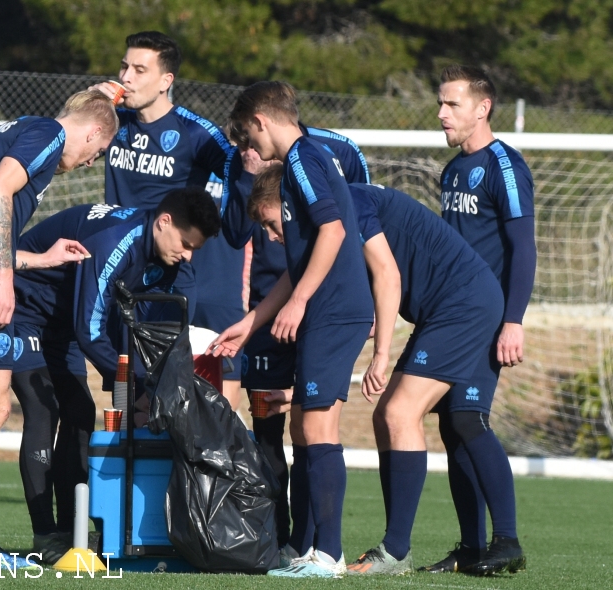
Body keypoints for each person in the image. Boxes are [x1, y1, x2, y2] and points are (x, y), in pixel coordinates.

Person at [243, 164, 505, 576]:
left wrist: (381, 354)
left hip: (464, 302)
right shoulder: (321, 224)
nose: (274, 236)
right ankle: (338, 547)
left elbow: (388, 274)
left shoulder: (351, 202)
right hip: (443, 310)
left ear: (287, 202)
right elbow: (303, 282)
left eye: (272, 223)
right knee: (389, 415)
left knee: (403, 413)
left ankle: (398, 551)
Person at [0, 89, 118, 568]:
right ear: (93, 131)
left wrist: (39, 259)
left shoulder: (20, 128)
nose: (92, 163)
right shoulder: (50, 133)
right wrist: (5, 280)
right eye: (98, 152)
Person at [209, 81, 375, 578]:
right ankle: (308, 550)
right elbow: (296, 265)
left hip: (333, 308)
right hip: (326, 307)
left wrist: (300, 304)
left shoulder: (301, 158)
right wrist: (250, 322)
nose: (248, 151)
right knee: (304, 427)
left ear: (261, 121)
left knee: (316, 427)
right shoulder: (308, 158)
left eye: (247, 138)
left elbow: (335, 231)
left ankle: (329, 554)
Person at [10, 188, 221, 563]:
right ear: (164, 222)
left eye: (196, 249)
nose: (189, 255)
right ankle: (46, 536)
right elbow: (89, 327)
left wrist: (154, 384)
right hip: (24, 311)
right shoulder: (115, 241)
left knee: (78, 414)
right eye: (187, 244)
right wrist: (136, 384)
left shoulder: (174, 262)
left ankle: (71, 532)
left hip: (65, 326)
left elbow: (156, 333)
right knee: (44, 412)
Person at [419, 64, 535, 575]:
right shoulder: (451, 170)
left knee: (469, 419)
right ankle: (470, 547)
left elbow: (523, 249)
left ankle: (506, 540)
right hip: (450, 314)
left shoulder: (503, 165)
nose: (442, 113)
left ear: (482, 108)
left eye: (452, 104)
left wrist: (513, 320)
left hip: (486, 317)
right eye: (441, 104)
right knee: (450, 426)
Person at [90, 30, 247, 410]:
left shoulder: (195, 133)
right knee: (127, 397)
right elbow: (65, 138)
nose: (126, 77)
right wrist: (89, 103)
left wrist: (242, 229)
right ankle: (131, 466)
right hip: (120, 269)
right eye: (124, 66)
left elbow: (241, 173)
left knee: (168, 394)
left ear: (166, 82)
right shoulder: (114, 121)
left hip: (168, 281)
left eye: (139, 70)